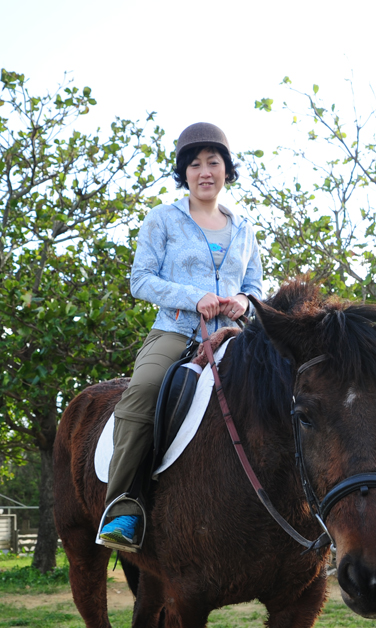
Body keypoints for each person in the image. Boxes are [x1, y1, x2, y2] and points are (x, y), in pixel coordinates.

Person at [97, 122, 263, 549]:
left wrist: (245, 300)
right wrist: (195, 297)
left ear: (227, 169)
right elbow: (141, 280)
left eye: (214, 162)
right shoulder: (163, 219)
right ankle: (122, 508)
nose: (205, 171)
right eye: (195, 165)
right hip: (175, 332)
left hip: (234, 336)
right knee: (144, 391)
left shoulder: (245, 228)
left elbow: (256, 285)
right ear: (184, 173)